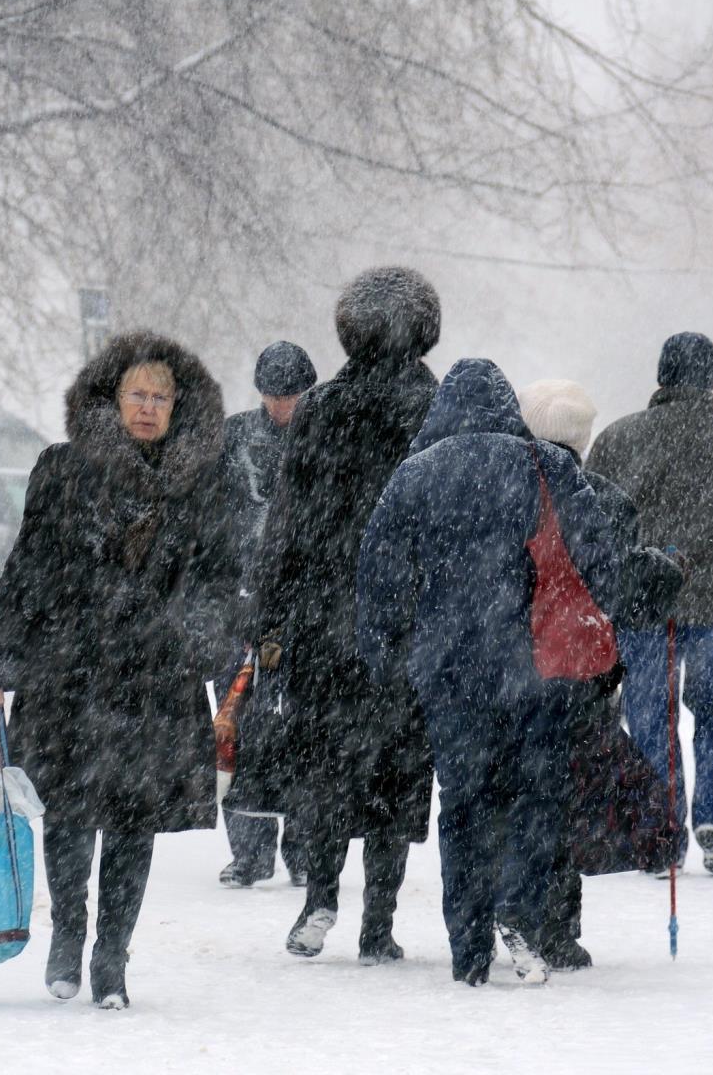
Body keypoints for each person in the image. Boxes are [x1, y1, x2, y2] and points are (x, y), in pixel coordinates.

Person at [0, 331, 237, 1009]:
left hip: (155, 677)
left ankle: (112, 954)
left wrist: (195, 633)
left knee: (133, 821)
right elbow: (26, 569)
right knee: (68, 811)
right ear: (110, 401)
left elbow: (221, 578)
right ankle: (69, 933)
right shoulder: (61, 468)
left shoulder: (204, 479)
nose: (147, 407)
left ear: (181, 406)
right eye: (135, 394)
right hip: (71, 668)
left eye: (161, 397)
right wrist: (0, 653)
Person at [357, 358, 629, 986]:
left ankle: (468, 946)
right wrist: (641, 596)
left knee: (464, 802)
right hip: (536, 665)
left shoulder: (414, 474)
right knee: (537, 793)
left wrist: (387, 656)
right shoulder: (549, 466)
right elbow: (598, 563)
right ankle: (520, 905)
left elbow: (379, 578)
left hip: (448, 669)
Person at [246, 266, 440, 965]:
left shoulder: (323, 408)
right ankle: (378, 923)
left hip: (325, 618)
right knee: (397, 769)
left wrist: (269, 615)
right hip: (409, 623)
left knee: (325, 766)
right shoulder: (437, 407)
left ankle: (320, 896)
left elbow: (288, 523)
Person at [586, 332, 713, 875]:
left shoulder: (619, 439)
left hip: (642, 608)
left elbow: (591, 527)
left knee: (651, 719)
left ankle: (662, 830)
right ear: (712, 378)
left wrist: (594, 602)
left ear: (661, 375)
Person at [517, 378, 684, 969]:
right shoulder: (608, 501)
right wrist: (660, 575)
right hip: (587, 669)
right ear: (584, 437)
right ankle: (559, 932)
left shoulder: (508, 494)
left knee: (520, 793)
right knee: (571, 796)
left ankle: (515, 910)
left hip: (520, 667)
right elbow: (624, 596)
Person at [216, 341, 317, 890]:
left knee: (304, 725)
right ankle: (249, 853)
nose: (282, 407)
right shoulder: (234, 438)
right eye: (274, 397)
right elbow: (213, 516)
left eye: (292, 396)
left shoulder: (327, 434)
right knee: (236, 723)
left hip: (304, 607)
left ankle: (304, 850)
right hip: (242, 603)